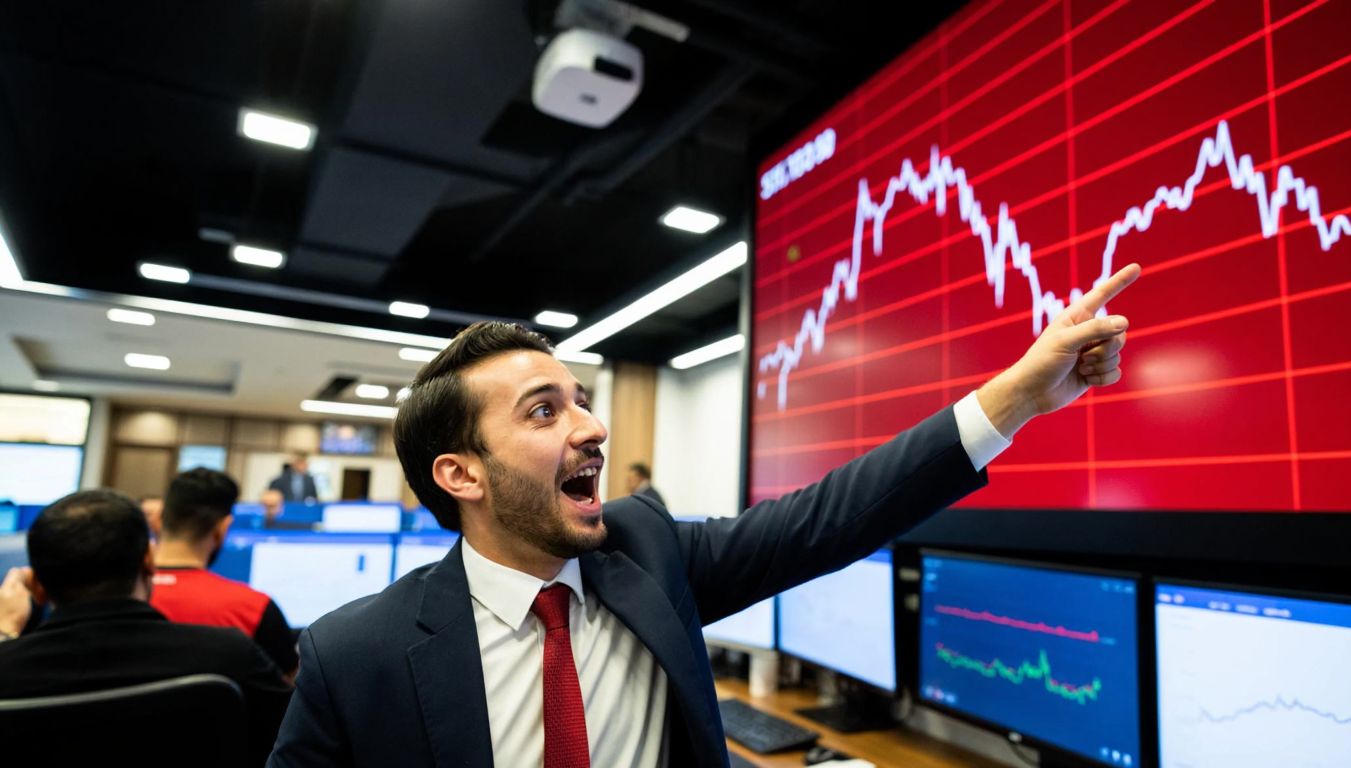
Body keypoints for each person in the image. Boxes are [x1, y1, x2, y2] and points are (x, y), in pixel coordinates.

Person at [269, 264, 1140, 767]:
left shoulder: (646, 555)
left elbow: (830, 517)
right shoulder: (353, 657)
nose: (593, 427)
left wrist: (1017, 398)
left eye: (583, 400)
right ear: (460, 473)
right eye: (544, 412)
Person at [0, 490, 291, 763]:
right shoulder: (230, 656)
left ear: (36, 587)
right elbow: (298, 741)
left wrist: (5, 632)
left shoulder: (7, 668)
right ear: (150, 561)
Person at [150, 469, 299, 681]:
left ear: (157, 520)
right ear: (223, 528)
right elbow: (291, 693)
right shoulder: (254, 608)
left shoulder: (117, 599)